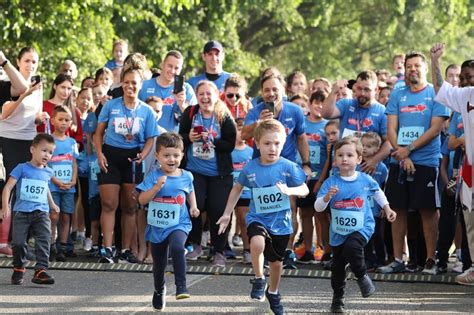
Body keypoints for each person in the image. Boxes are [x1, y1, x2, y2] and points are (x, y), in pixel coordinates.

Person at [217, 119, 309, 315]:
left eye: (276, 143)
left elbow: (304, 189)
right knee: (256, 243)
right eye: (267, 143)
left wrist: (289, 189)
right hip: (258, 218)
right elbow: (237, 188)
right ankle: (259, 278)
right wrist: (226, 214)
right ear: (257, 144)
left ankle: (273, 292)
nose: (272, 148)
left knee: (276, 264)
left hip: (281, 224)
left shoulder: (289, 167)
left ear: (283, 144)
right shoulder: (250, 168)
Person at [377, 50, 450, 275]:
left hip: (426, 162)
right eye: (409, 67)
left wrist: (409, 150)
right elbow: (391, 128)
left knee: (428, 211)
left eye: (417, 66)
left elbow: (436, 128)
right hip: (399, 160)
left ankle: (430, 259)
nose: (413, 70)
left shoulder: (435, 94)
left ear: (425, 68)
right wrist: (403, 155)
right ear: (405, 70)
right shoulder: (398, 94)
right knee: (397, 209)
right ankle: (398, 258)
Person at [315, 136, 396, 313]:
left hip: (363, 226)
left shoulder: (365, 179)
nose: (345, 159)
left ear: (359, 159)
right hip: (339, 231)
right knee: (337, 268)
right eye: (340, 155)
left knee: (352, 246)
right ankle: (338, 299)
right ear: (335, 160)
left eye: (350, 155)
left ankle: (361, 275)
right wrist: (327, 197)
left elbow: (378, 193)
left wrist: (387, 209)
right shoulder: (330, 182)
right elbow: (318, 207)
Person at [242, 73, 310, 269]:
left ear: (283, 91)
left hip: (286, 166)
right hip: (261, 167)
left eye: (275, 89)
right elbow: (244, 134)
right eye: (266, 90)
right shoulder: (256, 111)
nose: (271, 94)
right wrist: (258, 124)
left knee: (290, 208)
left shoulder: (295, 111)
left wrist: (306, 164)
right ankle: (264, 249)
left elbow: (301, 138)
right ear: (262, 93)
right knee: (263, 209)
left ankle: (287, 250)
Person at [94, 67, 159, 263]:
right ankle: (106, 248)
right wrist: (99, 154)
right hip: (111, 155)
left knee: (130, 206)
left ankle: (125, 250)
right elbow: (98, 133)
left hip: (133, 158)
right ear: (122, 83)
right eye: (127, 82)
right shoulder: (110, 106)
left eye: (134, 83)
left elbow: (150, 138)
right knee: (109, 204)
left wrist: (143, 156)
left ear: (140, 86)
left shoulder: (146, 110)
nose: (130, 86)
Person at [136, 132, 200, 311]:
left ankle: (181, 286)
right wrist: (156, 187)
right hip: (157, 226)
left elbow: (190, 190)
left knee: (178, 247)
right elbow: (141, 200)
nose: (171, 159)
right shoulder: (153, 176)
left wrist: (193, 206)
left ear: (182, 155)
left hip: (179, 223)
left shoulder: (186, 175)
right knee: (159, 264)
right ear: (157, 156)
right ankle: (159, 289)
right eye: (166, 155)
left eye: (176, 155)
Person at [178, 80, 236, 267]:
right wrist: (189, 137)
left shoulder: (223, 115)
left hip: (219, 173)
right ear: (196, 95)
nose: (204, 97)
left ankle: (219, 251)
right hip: (195, 171)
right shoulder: (191, 113)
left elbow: (230, 144)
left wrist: (214, 141)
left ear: (215, 95)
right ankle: (195, 245)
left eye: (208, 94)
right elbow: (180, 138)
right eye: (201, 94)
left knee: (218, 210)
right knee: (195, 207)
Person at [430, 43, 474, 284]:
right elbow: (441, 88)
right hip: (470, 168)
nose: (467, 81)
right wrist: (435, 62)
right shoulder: (466, 96)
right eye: (464, 77)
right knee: (469, 219)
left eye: (471, 77)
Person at [0, 47, 47, 257]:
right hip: (8, 139)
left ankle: (22, 242)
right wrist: (24, 95)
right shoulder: (8, 81)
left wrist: (40, 117)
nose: (31, 66)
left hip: (29, 140)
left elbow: (35, 112)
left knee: (27, 190)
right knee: (10, 188)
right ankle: (4, 242)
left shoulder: (38, 82)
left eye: (34, 62)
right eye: (27, 61)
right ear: (18, 62)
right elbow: (5, 114)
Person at [1, 133, 60, 285]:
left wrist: (52, 204)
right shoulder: (21, 168)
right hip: (21, 213)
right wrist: (5, 205)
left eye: (50, 152)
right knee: (19, 243)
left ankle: (41, 270)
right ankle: (19, 267)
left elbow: (45, 188)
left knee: (44, 239)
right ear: (32, 149)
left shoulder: (48, 171)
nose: (47, 155)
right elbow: (8, 188)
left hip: (41, 213)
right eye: (44, 150)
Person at [321, 70, 391, 175]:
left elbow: (389, 142)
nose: (362, 93)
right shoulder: (346, 104)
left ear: (376, 90)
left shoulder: (382, 111)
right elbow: (326, 114)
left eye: (367, 89)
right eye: (359, 88)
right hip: (342, 169)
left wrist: (374, 160)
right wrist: (334, 91)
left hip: (366, 170)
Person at [295, 90, 330, 264]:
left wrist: (322, 179)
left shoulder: (328, 125)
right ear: (309, 104)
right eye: (316, 102)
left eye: (323, 103)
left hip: (320, 175)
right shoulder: (302, 123)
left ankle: (322, 248)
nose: (319, 106)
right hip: (303, 176)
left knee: (321, 214)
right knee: (306, 213)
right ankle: (307, 249)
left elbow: (330, 156)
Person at [48, 106, 79, 261]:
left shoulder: (72, 142)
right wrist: (56, 181)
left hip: (69, 186)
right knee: (54, 215)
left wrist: (74, 180)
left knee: (66, 216)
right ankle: (51, 245)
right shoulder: (49, 141)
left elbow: (73, 162)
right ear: (53, 120)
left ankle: (63, 246)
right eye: (60, 119)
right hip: (53, 186)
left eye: (67, 120)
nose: (63, 123)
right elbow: (45, 164)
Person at [139, 50, 197, 131]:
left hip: (173, 141)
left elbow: (195, 120)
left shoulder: (186, 90)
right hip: (147, 139)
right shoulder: (144, 85)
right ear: (162, 64)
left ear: (180, 69)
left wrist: (182, 105)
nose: (172, 71)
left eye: (176, 68)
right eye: (170, 66)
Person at [359, 132, 389, 270]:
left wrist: (385, 207)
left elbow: (385, 187)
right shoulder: (357, 166)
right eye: (362, 145)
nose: (364, 149)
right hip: (360, 209)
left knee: (377, 234)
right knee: (364, 234)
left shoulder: (382, 168)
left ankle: (381, 259)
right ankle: (368, 260)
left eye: (369, 146)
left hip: (376, 209)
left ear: (377, 149)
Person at [38, 73, 84, 148]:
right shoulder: (42, 106)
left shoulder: (75, 111)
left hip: (66, 155)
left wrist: (73, 149)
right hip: (44, 151)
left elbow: (79, 136)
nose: (66, 92)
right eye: (63, 87)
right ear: (55, 86)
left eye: (69, 88)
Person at [230, 118, 254, 263]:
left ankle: (248, 249)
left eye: (244, 129)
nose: (241, 133)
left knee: (244, 220)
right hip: (230, 190)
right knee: (229, 219)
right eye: (238, 129)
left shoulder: (251, 152)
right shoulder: (228, 152)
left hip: (246, 191)